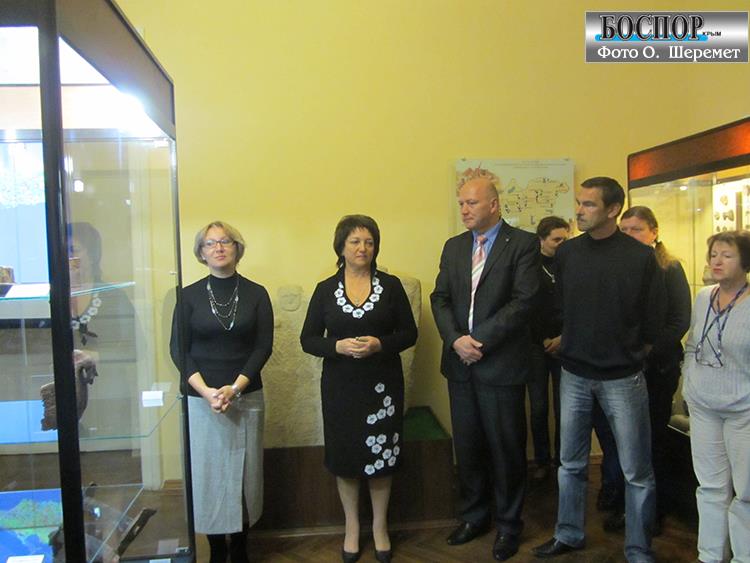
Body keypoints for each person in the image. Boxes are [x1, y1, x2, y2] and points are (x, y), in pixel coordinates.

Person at [532, 177, 664, 563]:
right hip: (574, 373)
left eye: (589, 204)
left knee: (636, 471)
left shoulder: (640, 257)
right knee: (570, 464)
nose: (579, 210)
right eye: (579, 203)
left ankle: (638, 549)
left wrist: (630, 352)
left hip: (622, 377)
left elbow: (654, 319)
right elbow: (562, 307)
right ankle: (568, 533)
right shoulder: (569, 253)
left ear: (612, 210)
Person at [430, 177, 540, 561]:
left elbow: (524, 302)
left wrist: (478, 340)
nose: (464, 209)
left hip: (501, 365)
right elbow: (440, 298)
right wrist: (455, 340)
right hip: (460, 365)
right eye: (461, 203)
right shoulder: (454, 246)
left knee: (506, 449)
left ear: (493, 204)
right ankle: (474, 516)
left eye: (471, 203)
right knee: (469, 447)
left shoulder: (522, 244)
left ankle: (509, 525)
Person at [300, 215, 417, 563]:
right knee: (345, 458)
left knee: (383, 457)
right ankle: (352, 527)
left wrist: (379, 344)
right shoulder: (325, 289)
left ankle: (380, 527)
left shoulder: (391, 286)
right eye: (354, 241)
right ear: (341, 247)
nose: (362, 248)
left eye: (369, 242)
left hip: (382, 388)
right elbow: (307, 339)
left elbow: (409, 334)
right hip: (340, 388)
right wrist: (336, 346)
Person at [170, 221, 273, 563]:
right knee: (209, 475)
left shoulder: (257, 293)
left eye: (225, 241)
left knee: (245, 474)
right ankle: (216, 549)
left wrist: (234, 388)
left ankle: (241, 546)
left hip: (246, 395)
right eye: (210, 243)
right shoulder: (188, 295)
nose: (218, 247)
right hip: (202, 400)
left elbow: (263, 346)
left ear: (236, 248)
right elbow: (178, 349)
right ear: (201, 252)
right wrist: (207, 391)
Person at [598, 206, 691, 532]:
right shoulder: (618, 266)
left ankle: (652, 510)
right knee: (625, 441)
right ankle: (626, 504)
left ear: (654, 231)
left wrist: (649, 349)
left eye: (636, 229)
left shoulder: (670, 267)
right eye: (624, 230)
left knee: (652, 439)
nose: (629, 235)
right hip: (622, 368)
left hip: (657, 368)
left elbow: (680, 318)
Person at [683, 230, 750, 563]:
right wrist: (689, 383)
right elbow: (693, 343)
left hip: (743, 410)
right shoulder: (703, 296)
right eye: (713, 254)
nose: (717, 261)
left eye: (727, 255)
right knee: (709, 487)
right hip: (703, 406)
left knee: (746, 492)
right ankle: (709, 555)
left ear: (745, 261)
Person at [528, 216, 570, 480]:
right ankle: (542, 461)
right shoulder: (530, 266)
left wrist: (563, 337)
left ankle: (563, 462)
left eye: (566, 239)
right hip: (535, 345)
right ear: (542, 240)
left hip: (566, 343)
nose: (562, 244)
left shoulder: (572, 264)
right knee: (538, 406)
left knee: (564, 408)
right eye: (557, 240)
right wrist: (543, 338)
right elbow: (526, 307)